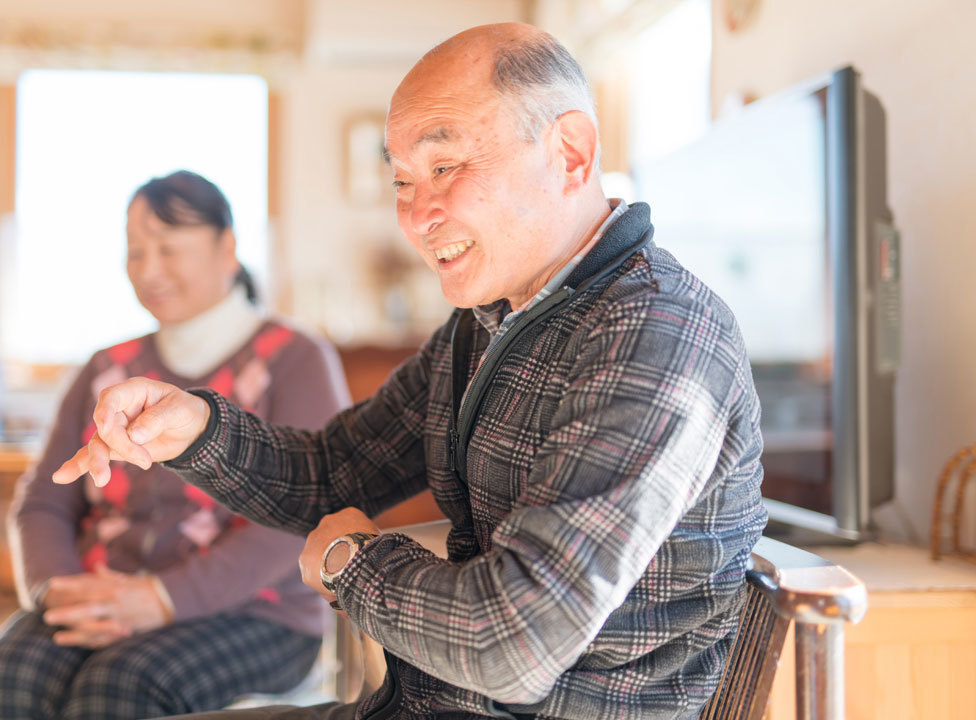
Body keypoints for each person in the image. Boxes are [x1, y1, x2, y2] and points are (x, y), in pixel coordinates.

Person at [56, 24, 767, 720]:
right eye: (401, 179)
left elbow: (514, 644)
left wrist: (352, 563)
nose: (418, 213)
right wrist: (197, 429)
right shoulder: (486, 323)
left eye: (445, 166)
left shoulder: (657, 335)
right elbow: (334, 472)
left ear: (571, 153)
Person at [0, 171, 352, 720]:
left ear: (228, 248)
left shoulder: (295, 358)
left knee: (118, 689)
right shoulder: (106, 367)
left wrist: (161, 599)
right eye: (135, 252)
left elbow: (302, 515)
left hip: (257, 612)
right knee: (4, 680)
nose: (148, 271)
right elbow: (45, 500)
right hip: (100, 594)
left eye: (168, 249)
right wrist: (61, 591)